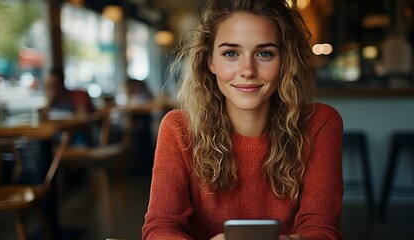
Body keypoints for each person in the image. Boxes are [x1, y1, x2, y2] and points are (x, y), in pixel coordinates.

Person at [142, 0, 343, 239]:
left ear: (284, 61)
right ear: (210, 61)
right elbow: (160, 229)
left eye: (264, 53)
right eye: (231, 53)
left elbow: (322, 232)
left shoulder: (320, 123)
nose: (248, 70)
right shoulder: (178, 128)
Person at [40, 67, 96, 146]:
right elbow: (41, 120)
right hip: (59, 136)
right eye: (47, 86)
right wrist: (49, 102)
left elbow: (82, 119)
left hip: (79, 136)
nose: (51, 89)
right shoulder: (51, 102)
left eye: (54, 85)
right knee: (43, 142)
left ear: (61, 83)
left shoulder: (78, 95)